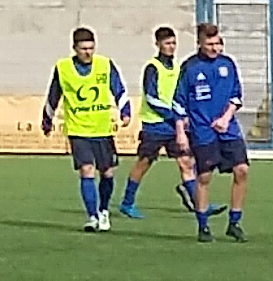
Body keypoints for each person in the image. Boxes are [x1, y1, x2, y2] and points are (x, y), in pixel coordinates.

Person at [40, 27, 129, 233]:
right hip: (78, 129)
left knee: (107, 173)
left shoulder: (105, 64)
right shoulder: (63, 68)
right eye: (83, 48)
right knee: (86, 170)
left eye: (91, 48)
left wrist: (125, 111)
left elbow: (118, 88)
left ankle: (104, 210)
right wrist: (47, 119)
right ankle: (92, 217)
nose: (88, 52)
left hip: (102, 129)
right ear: (75, 48)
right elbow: (54, 95)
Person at [178, 22, 252, 243]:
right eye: (209, 44)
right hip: (202, 130)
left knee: (242, 170)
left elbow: (236, 96)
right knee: (204, 176)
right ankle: (203, 226)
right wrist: (180, 131)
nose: (214, 48)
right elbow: (180, 103)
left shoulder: (228, 64)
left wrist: (226, 117)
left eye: (217, 43)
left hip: (228, 128)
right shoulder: (190, 68)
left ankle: (234, 222)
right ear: (199, 43)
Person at [120, 25, 200, 222]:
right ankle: (127, 202)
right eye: (167, 43)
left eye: (173, 43)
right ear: (158, 44)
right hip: (154, 124)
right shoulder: (152, 68)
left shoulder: (179, 68)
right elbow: (152, 97)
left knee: (186, 162)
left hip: (174, 126)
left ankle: (199, 204)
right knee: (144, 163)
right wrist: (174, 115)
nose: (171, 47)